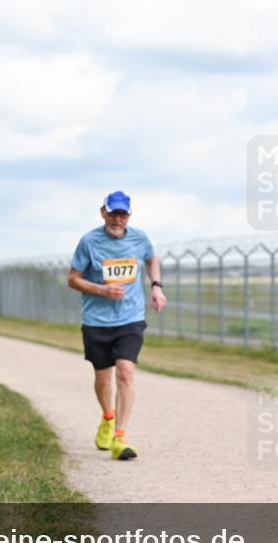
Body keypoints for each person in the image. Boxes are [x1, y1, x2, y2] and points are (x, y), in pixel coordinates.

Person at [68, 190, 166, 461]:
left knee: (125, 370)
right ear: (103, 212)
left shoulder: (139, 238)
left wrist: (156, 287)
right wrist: (102, 290)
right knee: (103, 379)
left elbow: (151, 259)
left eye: (123, 214)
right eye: (113, 213)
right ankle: (108, 417)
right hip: (96, 321)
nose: (117, 219)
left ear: (129, 216)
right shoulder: (89, 242)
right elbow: (73, 279)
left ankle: (120, 438)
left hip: (130, 318)